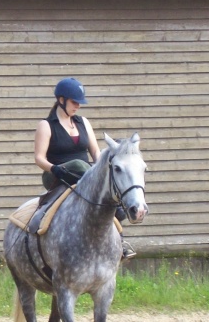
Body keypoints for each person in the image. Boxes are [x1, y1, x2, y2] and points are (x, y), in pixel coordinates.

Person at [33, 77, 136, 259]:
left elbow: (96, 152)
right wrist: (54, 168)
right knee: (79, 165)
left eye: (80, 103)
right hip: (57, 175)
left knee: (103, 187)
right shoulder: (47, 125)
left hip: (84, 176)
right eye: (74, 102)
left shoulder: (83, 122)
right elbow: (39, 158)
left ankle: (120, 241)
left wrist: (103, 170)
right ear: (61, 100)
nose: (78, 106)